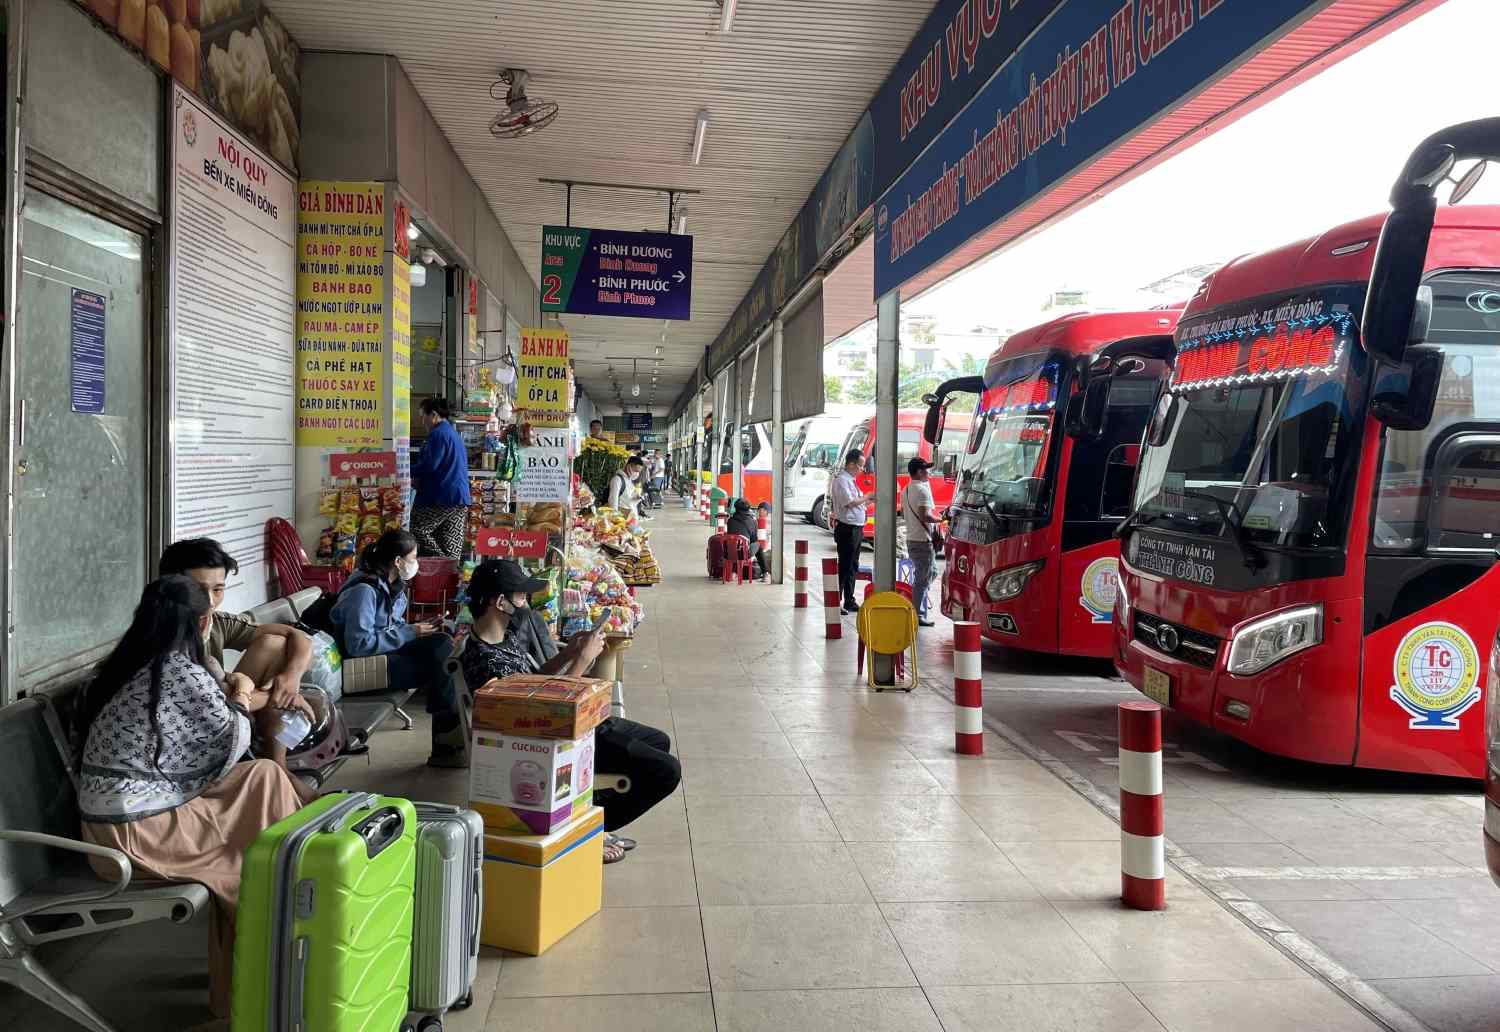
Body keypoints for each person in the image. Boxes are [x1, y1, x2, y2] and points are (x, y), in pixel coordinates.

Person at [76, 576, 310, 1021]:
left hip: (121, 818)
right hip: (134, 836)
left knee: (263, 776)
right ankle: (273, 934)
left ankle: (287, 874)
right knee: (242, 866)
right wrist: (242, 693)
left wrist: (240, 694)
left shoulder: (136, 663)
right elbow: (232, 738)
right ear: (203, 622)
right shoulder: (176, 672)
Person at [461, 560, 682, 864]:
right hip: (551, 738)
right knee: (666, 771)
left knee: (659, 742)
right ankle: (588, 828)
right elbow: (540, 709)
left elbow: (533, 682)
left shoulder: (501, 638)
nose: (527, 603)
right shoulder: (487, 662)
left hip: (567, 723)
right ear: (500, 602)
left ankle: (587, 813)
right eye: (521, 597)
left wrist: (568, 653)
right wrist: (583, 661)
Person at [330, 529, 463, 768]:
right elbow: (359, 645)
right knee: (441, 667)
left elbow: (391, 626)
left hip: (383, 655)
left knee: (442, 642)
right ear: (397, 561)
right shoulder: (363, 591)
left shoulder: (391, 585)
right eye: (413, 558)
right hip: (361, 667)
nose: (416, 564)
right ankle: (447, 740)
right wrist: (411, 633)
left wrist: (418, 628)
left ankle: (448, 736)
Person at [159, 538, 315, 719]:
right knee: (283, 703)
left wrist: (290, 678)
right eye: (197, 590)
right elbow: (213, 705)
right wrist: (281, 697)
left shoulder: (216, 622)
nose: (209, 602)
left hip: (224, 707)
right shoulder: (159, 635)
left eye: (217, 590)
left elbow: (297, 636)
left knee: (276, 644)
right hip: (188, 726)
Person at [410, 397, 472, 560]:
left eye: (423, 416)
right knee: (451, 545)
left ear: (434, 415)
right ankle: (451, 573)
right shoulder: (451, 432)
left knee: (418, 529)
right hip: (459, 498)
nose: (422, 421)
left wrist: (405, 470)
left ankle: (444, 563)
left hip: (442, 497)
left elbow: (430, 466)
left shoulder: (438, 434)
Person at [829, 448, 875, 614]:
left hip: (856, 527)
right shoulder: (842, 480)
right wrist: (868, 496)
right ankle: (837, 601)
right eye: (860, 466)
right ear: (851, 464)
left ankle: (849, 599)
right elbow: (849, 502)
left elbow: (858, 503)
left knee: (853, 566)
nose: (862, 470)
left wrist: (868, 501)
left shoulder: (851, 481)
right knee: (845, 566)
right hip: (847, 529)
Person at [903, 457, 942, 627]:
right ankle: (915, 613)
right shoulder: (922, 490)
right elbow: (924, 515)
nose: (929, 473)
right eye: (926, 469)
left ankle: (916, 600)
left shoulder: (907, 489)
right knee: (922, 578)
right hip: (922, 540)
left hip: (913, 538)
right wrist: (941, 520)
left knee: (930, 573)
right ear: (919, 472)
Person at [726, 498, 769, 579]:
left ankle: (734, 572)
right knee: (758, 546)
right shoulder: (752, 521)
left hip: (729, 552)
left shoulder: (730, 520)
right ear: (748, 509)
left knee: (736, 546)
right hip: (744, 553)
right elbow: (754, 540)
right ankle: (765, 573)